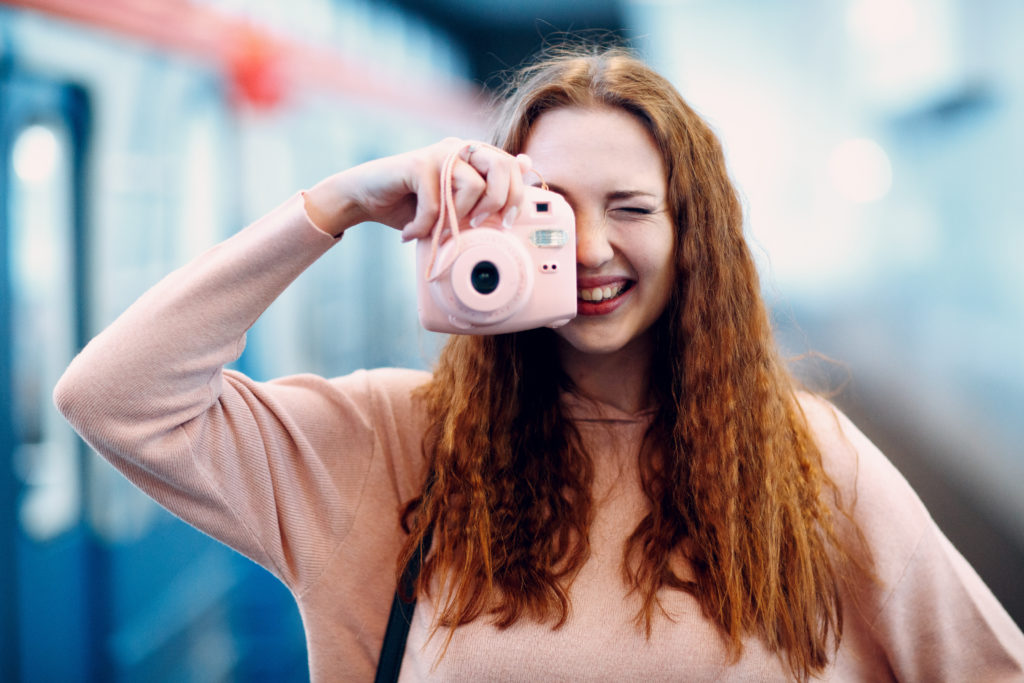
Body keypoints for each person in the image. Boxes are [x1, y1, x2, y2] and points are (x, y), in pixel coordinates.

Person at [54, 45, 1023, 682]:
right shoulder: (394, 443)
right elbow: (116, 399)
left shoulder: (807, 461)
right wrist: (337, 204)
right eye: (547, 210)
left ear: (696, 238)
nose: (592, 247)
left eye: (633, 208)